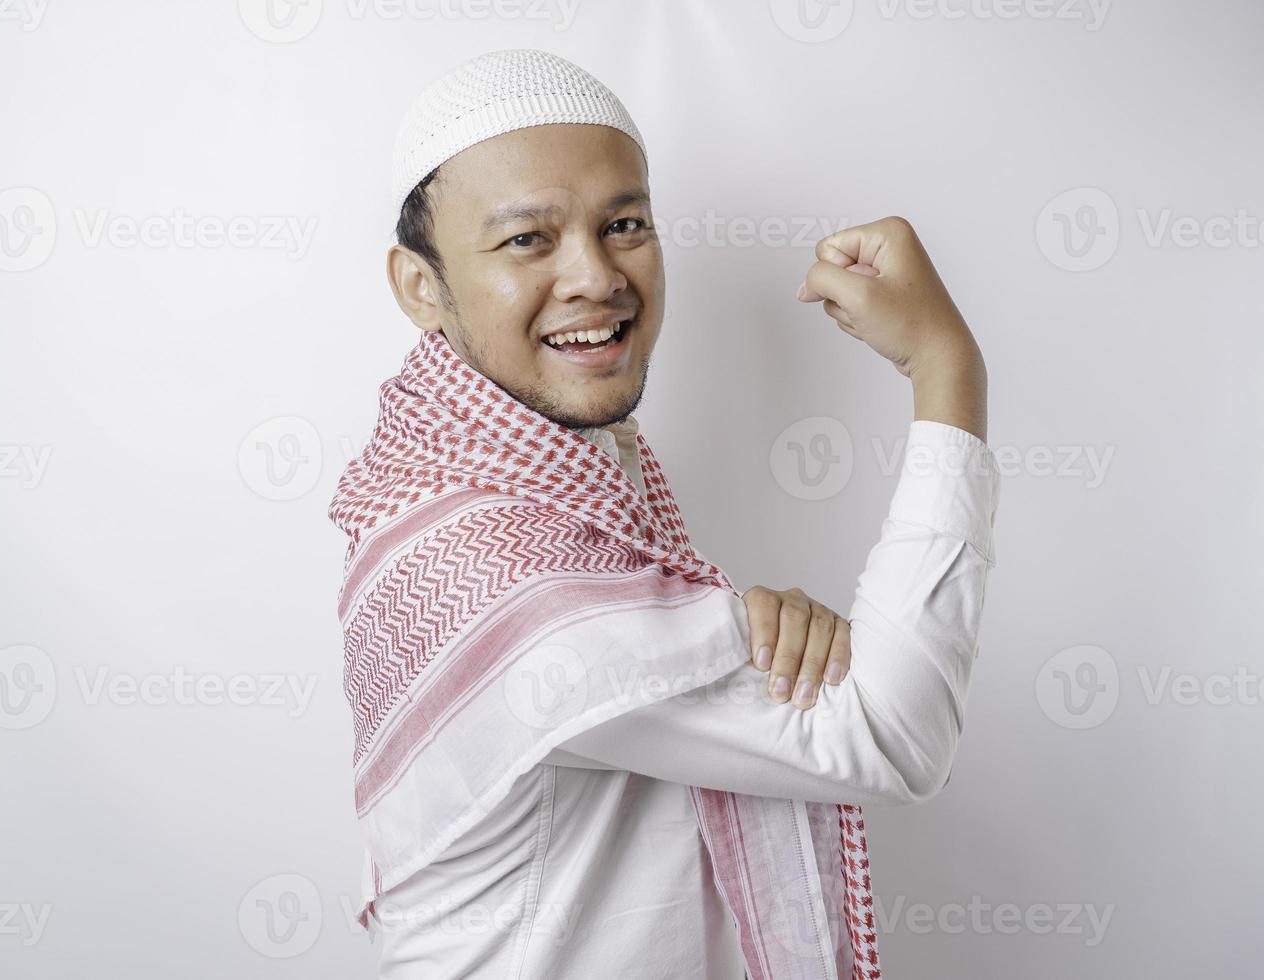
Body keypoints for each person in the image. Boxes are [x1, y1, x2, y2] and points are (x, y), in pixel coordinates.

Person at [329, 48, 999, 979]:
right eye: (527, 239)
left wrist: (739, 630)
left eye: (625, 224)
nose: (595, 277)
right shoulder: (503, 572)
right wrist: (946, 366)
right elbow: (890, 735)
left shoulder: (504, 477)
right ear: (419, 285)